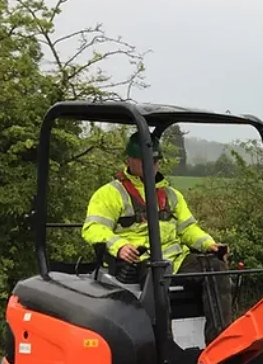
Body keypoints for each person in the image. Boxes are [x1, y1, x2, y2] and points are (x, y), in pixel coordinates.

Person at [82, 131, 233, 341]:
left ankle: (220, 346)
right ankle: (164, 349)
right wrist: (119, 246)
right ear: (129, 160)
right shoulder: (110, 194)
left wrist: (209, 244)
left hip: (176, 261)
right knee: (158, 277)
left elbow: (188, 229)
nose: (150, 164)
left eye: (154, 160)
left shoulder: (171, 195)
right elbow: (93, 228)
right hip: (140, 262)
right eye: (144, 159)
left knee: (215, 268)